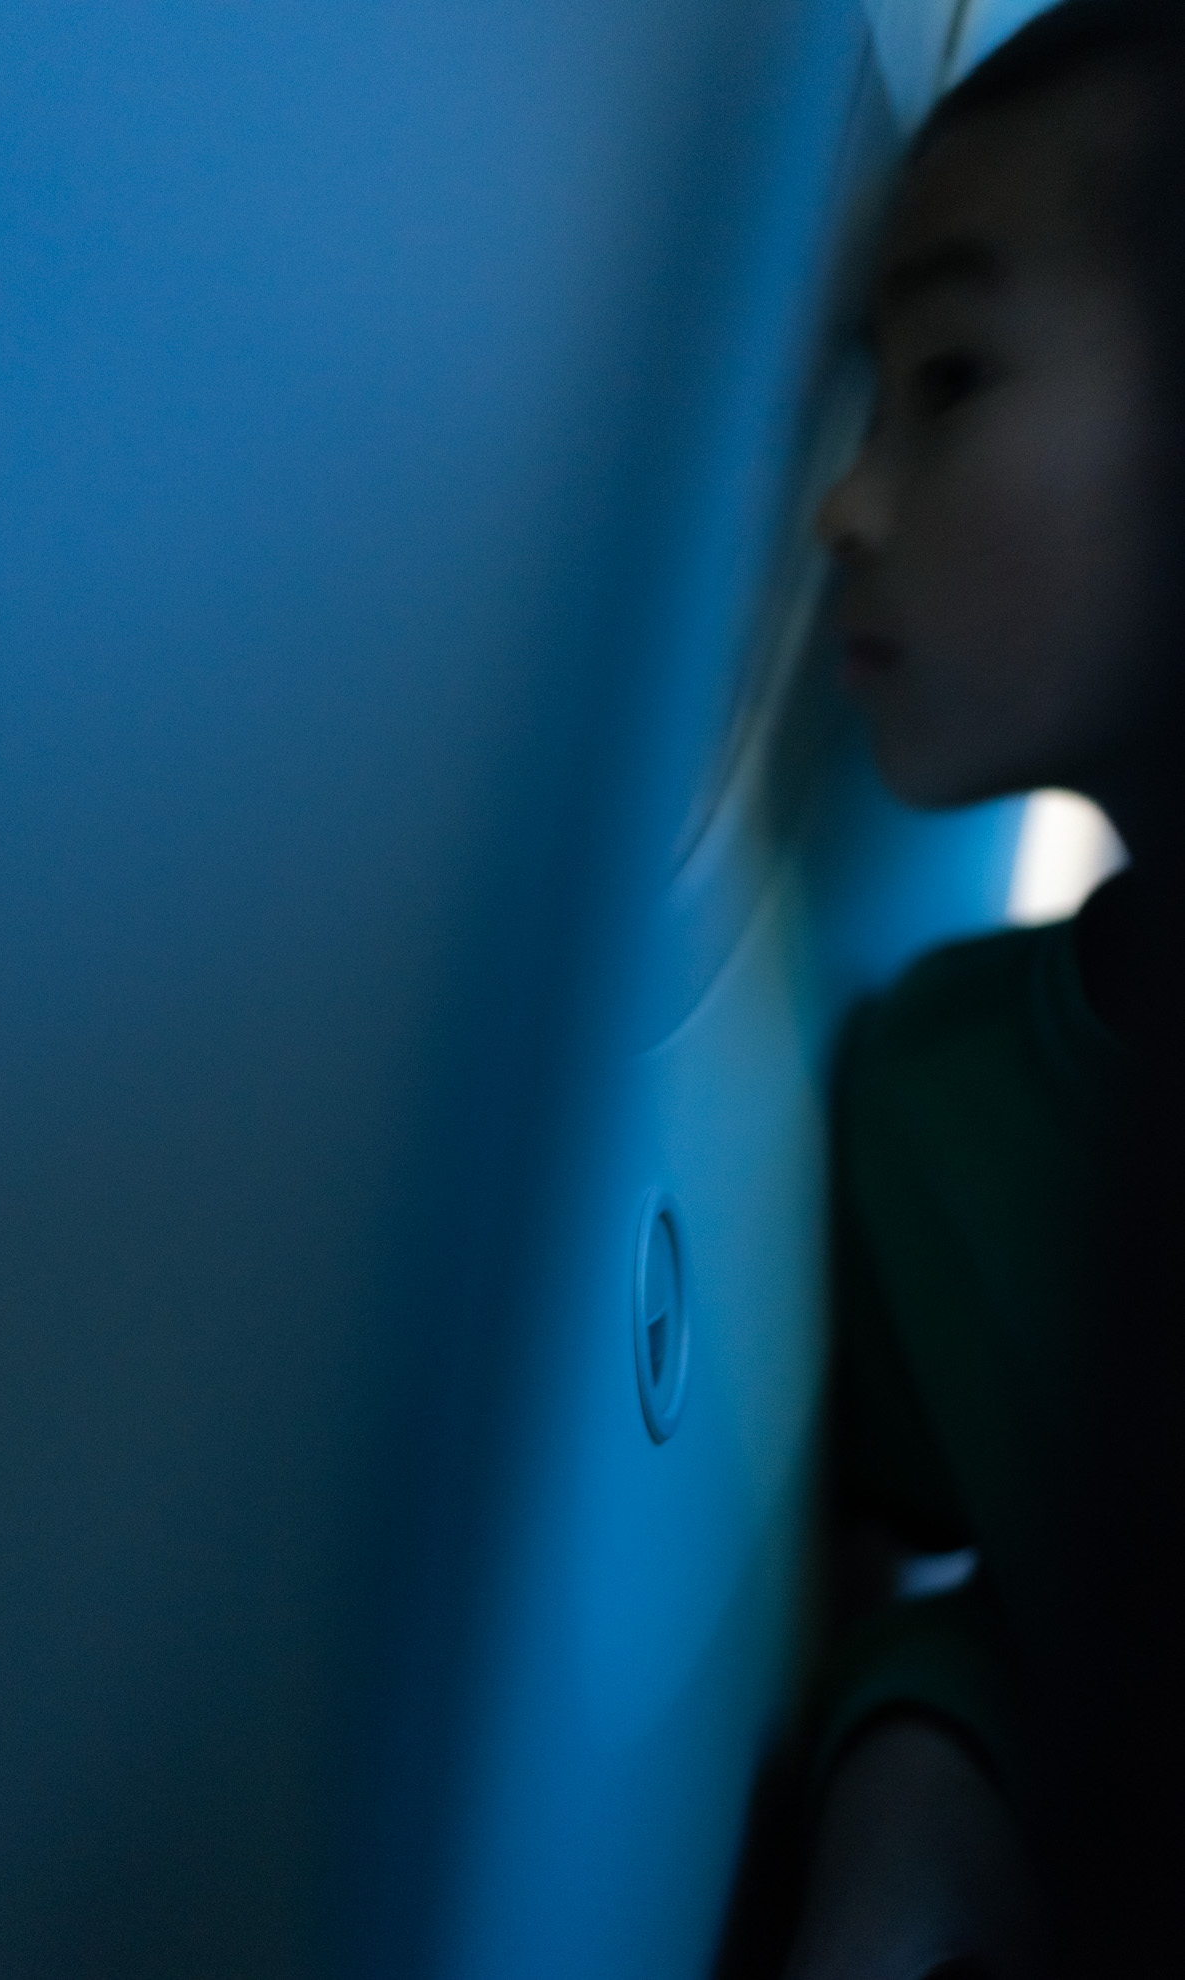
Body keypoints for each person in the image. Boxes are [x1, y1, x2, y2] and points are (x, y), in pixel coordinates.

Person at [781, 4, 1185, 1974]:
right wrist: (923, 1743)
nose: (841, 505)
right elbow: (1020, 1599)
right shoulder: (934, 1106)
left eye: (947, 380)